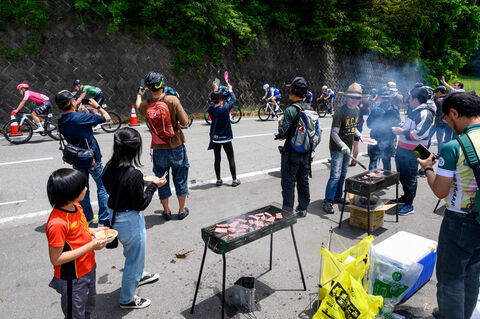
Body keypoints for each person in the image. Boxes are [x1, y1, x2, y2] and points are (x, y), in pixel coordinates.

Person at [417, 92, 480, 319]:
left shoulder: (454, 147)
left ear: (455, 113)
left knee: (451, 279)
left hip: (460, 222)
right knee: (472, 275)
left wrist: (427, 168)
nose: (448, 125)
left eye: (447, 119)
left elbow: (440, 191)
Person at [102, 127, 166, 309]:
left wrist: (142, 182)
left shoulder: (109, 167)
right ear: (135, 149)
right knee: (133, 260)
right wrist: (153, 185)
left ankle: (139, 275)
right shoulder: (133, 174)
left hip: (113, 215)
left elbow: (117, 185)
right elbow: (141, 203)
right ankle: (127, 299)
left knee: (133, 256)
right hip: (130, 221)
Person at [46, 168, 108, 319]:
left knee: (88, 306)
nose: (86, 188)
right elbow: (56, 259)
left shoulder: (76, 206)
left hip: (88, 268)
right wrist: (91, 246)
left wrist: (94, 231)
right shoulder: (57, 223)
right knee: (75, 313)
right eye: (82, 187)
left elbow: (81, 228)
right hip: (72, 277)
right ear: (69, 194)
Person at [136, 71, 190, 221]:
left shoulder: (146, 105)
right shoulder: (172, 100)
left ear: (148, 88)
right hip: (176, 145)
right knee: (180, 178)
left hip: (158, 148)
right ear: (162, 84)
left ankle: (166, 211)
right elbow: (185, 122)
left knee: (161, 179)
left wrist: (139, 93)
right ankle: (181, 210)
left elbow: (138, 105)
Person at [56, 90, 112, 224]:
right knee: (102, 185)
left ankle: (87, 216)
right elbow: (107, 118)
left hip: (76, 158)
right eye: (73, 99)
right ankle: (104, 217)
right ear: (71, 102)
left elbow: (75, 125)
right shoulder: (81, 118)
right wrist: (97, 106)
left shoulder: (61, 121)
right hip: (91, 156)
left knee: (83, 188)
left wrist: (79, 114)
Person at [391, 86, 434, 215]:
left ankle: (409, 204)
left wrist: (401, 131)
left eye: (409, 98)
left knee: (410, 177)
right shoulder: (415, 110)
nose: (407, 100)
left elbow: (420, 134)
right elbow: (411, 127)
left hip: (413, 151)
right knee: (403, 175)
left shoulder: (425, 112)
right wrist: (401, 128)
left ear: (415, 99)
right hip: (403, 149)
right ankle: (405, 197)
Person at [322, 83, 361, 214]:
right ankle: (328, 201)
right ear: (346, 98)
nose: (354, 100)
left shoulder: (356, 110)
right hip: (337, 148)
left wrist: (358, 134)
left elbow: (352, 126)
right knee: (335, 175)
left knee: (343, 173)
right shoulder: (340, 111)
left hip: (348, 147)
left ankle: (338, 196)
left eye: (357, 98)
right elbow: (334, 133)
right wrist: (342, 145)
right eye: (351, 97)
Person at [275, 77, 311, 217]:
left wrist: (280, 124)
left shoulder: (291, 110)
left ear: (295, 91)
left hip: (291, 153)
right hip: (306, 152)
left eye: (291, 89)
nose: (289, 91)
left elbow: (282, 134)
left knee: (289, 183)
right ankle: (303, 208)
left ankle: (287, 212)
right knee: (303, 180)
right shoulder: (309, 108)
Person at [208, 81, 240, 187]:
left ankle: (218, 180)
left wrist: (215, 90)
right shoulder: (225, 109)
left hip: (216, 138)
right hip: (226, 137)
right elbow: (233, 99)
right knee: (230, 158)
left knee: (217, 159)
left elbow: (213, 101)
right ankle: (234, 180)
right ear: (221, 99)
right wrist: (230, 90)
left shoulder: (211, 108)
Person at [366, 86, 401, 170]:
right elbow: (398, 123)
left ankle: (371, 180)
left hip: (375, 138)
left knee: (373, 161)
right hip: (388, 139)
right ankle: (387, 180)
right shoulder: (395, 108)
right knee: (386, 161)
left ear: (380, 97)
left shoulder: (376, 110)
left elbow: (369, 124)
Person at [351, 84, 370, 166]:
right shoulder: (365, 100)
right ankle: (354, 161)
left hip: (351, 120)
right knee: (356, 143)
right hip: (360, 121)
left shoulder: (352, 97)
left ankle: (344, 160)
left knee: (348, 141)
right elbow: (367, 111)